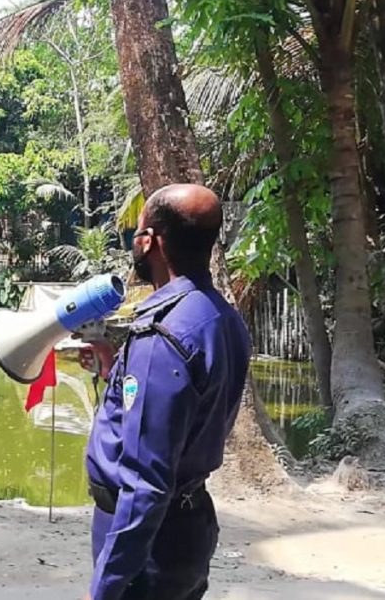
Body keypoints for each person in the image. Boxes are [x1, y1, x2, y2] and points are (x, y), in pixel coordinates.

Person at [77, 184, 252, 600]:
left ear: (150, 241)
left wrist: (105, 587)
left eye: (137, 232)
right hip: (187, 527)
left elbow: (145, 483)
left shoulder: (162, 336)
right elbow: (188, 413)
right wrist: (115, 370)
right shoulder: (221, 318)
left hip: (148, 547)